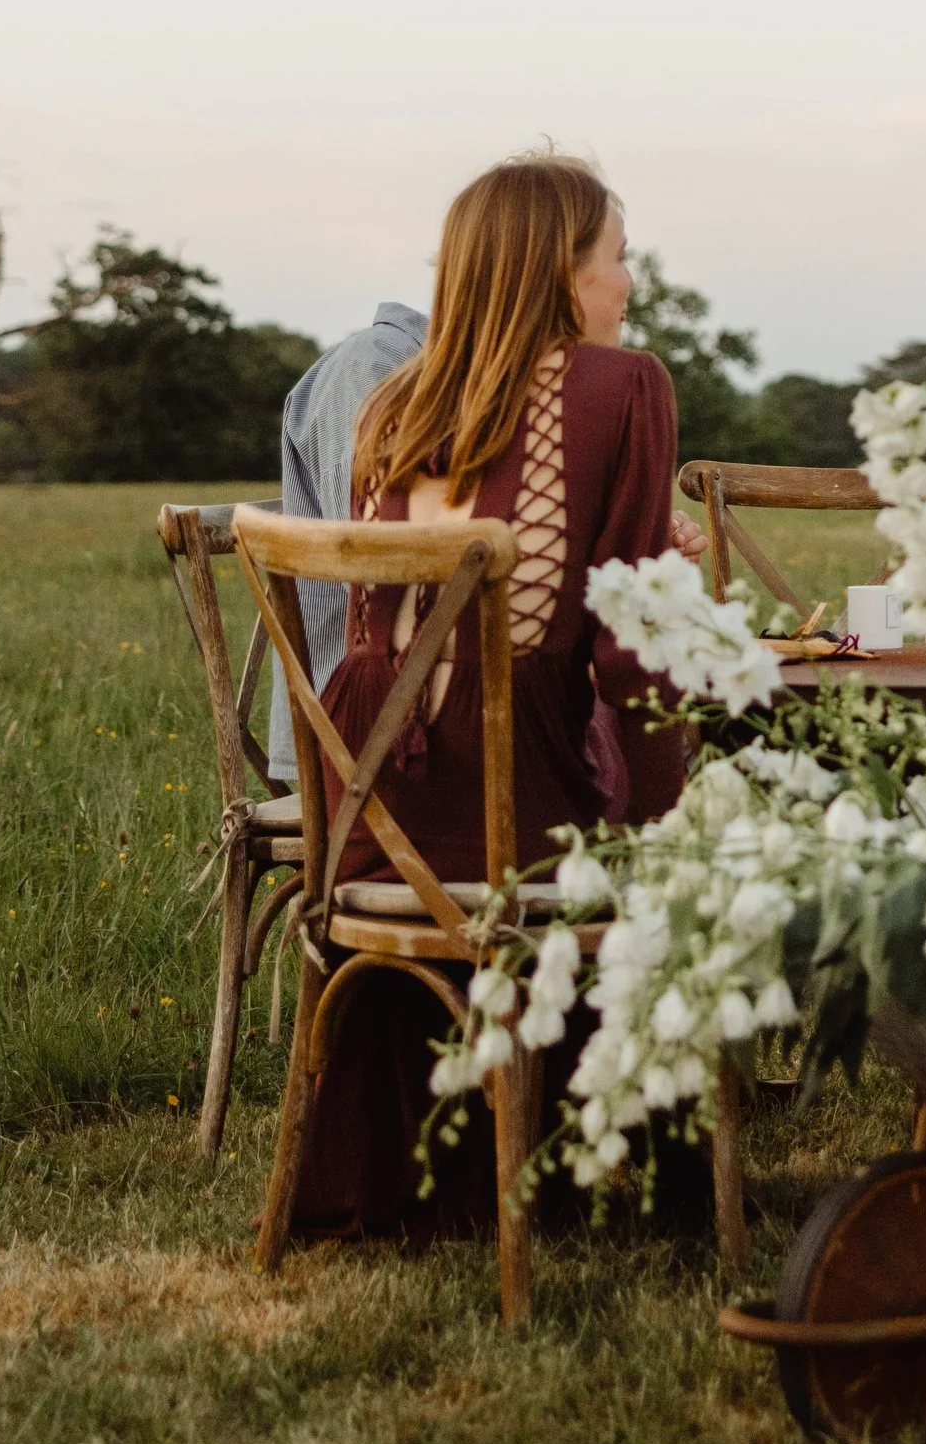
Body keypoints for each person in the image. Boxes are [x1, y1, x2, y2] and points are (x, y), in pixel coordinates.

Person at [287, 152, 690, 1241]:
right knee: (681, 831)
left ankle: (397, 1172)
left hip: (369, 822)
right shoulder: (625, 388)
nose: (629, 286)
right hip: (515, 825)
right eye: (619, 258)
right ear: (562, 274)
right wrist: (670, 815)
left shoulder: (392, 403)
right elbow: (626, 657)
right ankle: (640, 1168)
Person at [271, 298, 429, 780]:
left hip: (452, 704)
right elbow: (377, 575)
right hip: (368, 735)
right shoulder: (378, 362)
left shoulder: (506, 382)